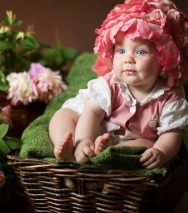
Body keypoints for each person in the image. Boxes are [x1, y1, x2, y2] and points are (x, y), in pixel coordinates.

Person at [49, 0, 188, 169]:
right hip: (94, 128)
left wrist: (162, 152)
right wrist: (84, 139)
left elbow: (172, 133)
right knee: (62, 116)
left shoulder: (169, 97)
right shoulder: (110, 84)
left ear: (163, 59)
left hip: (131, 141)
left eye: (141, 52)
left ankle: (108, 156)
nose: (128, 59)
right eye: (121, 51)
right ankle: (72, 152)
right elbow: (91, 113)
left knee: (148, 145)